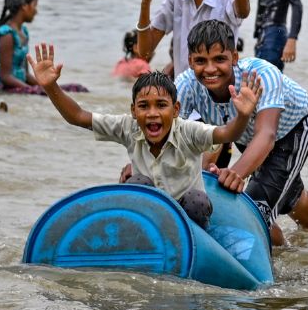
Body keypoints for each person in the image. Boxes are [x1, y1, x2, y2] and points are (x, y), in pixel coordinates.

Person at [31, 44, 258, 228]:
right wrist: (51, 87)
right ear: (133, 111)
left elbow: (228, 133)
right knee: (138, 182)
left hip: (187, 213)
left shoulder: (188, 130)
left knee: (196, 201)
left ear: (176, 110)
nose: (152, 114)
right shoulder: (129, 127)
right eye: (143, 106)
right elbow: (78, 116)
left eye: (161, 105)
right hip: (148, 211)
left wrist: (243, 116)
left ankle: (197, 240)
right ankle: (139, 234)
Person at [177, 20, 308, 245]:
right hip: (246, 134)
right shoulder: (185, 85)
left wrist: (236, 172)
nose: (210, 69)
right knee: (285, 190)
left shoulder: (261, 74)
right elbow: (170, 136)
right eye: (201, 61)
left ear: (234, 57)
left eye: (219, 59)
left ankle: (286, 267)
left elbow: (267, 135)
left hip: (292, 129)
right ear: (191, 61)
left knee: (253, 210)